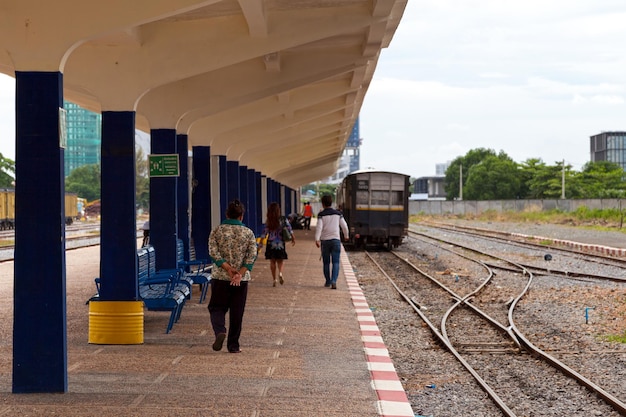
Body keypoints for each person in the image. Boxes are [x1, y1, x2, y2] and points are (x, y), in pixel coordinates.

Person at [208, 199, 258, 353]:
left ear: (226, 214)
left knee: (216, 308)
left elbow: (213, 252)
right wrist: (239, 274)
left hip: (220, 277)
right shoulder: (248, 233)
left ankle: (220, 331)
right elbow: (251, 256)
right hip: (241, 281)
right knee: (237, 312)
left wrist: (228, 268)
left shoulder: (217, 231)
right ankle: (233, 346)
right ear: (241, 216)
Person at [315, 194, 349, 289]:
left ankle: (328, 281)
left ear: (322, 204)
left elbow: (319, 227)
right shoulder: (338, 214)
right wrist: (346, 236)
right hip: (336, 240)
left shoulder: (321, 215)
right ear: (331, 202)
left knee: (326, 263)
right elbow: (344, 226)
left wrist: (317, 239)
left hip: (325, 241)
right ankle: (334, 281)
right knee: (336, 262)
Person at [263, 202, 295, 287]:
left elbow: (264, 233)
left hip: (271, 243)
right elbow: (289, 229)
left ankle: (274, 279)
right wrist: (293, 238)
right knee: (280, 261)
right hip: (280, 242)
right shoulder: (283, 219)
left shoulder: (269, 220)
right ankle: (280, 273)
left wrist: (260, 243)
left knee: (272, 261)